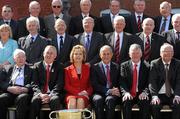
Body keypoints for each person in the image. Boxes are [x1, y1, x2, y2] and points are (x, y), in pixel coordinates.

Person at [30, 45, 64, 119]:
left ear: (55, 56)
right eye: (47, 53)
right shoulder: (36, 66)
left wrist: (50, 95)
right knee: (35, 100)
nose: (49, 55)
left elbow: (59, 84)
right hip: (40, 93)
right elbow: (34, 83)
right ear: (43, 54)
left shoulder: (60, 66)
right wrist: (40, 94)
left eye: (51, 53)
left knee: (55, 100)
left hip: (54, 93)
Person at [149, 43, 180, 119]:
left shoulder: (178, 63)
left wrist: (177, 95)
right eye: (164, 51)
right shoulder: (154, 63)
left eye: (170, 51)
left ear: (173, 53)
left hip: (173, 94)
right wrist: (155, 96)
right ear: (160, 53)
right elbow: (152, 82)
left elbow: (179, 81)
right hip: (159, 94)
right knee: (155, 106)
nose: (167, 53)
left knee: (178, 105)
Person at [0, 49, 34, 119]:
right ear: (14, 59)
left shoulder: (32, 69)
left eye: (23, 57)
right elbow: (1, 81)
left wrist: (25, 89)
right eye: (18, 57)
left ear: (25, 58)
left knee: (22, 98)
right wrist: (8, 88)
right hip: (11, 92)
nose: (21, 59)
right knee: (2, 98)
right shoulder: (8, 69)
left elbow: (34, 82)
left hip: (24, 93)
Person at [120, 44, 150, 119]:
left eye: (137, 53)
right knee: (126, 101)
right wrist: (126, 92)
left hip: (141, 93)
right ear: (129, 54)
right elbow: (122, 81)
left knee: (145, 101)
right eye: (133, 53)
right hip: (129, 93)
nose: (135, 55)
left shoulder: (147, 66)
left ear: (141, 54)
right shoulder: (124, 65)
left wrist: (145, 92)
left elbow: (149, 82)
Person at [91, 45, 120, 119]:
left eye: (108, 54)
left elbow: (119, 82)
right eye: (104, 54)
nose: (106, 56)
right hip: (98, 92)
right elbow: (95, 85)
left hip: (113, 93)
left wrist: (115, 90)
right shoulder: (94, 67)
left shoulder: (117, 67)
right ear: (100, 55)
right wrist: (108, 90)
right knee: (98, 99)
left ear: (112, 55)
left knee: (110, 99)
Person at [64, 45, 93, 109]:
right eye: (76, 54)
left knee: (80, 100)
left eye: (80, 54)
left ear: (83, 56)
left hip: (84, 95)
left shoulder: (88, 68)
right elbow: (67, 86)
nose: (78, 56)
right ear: (72, 56)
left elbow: (91, 85)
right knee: (72, 101)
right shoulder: (67, 69)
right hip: (71, 94)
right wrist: (78, 92)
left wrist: (86, 92)